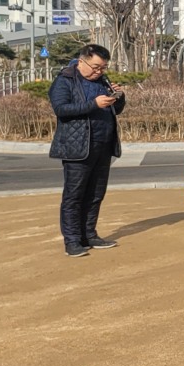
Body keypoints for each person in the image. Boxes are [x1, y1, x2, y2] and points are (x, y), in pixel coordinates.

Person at [49, 44, 126, 257]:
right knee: (74, 196)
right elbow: (61, 109)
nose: (98, 72)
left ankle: (89, 235)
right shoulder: (65, 80)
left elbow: (115, 110)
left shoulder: (102, 81)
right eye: (95, 67)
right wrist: (94, 104)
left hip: (103, 145)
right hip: (77, 147)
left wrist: (119, 97)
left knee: (96, 194)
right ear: (81, 61)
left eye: (103, 68)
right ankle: (72, 241)